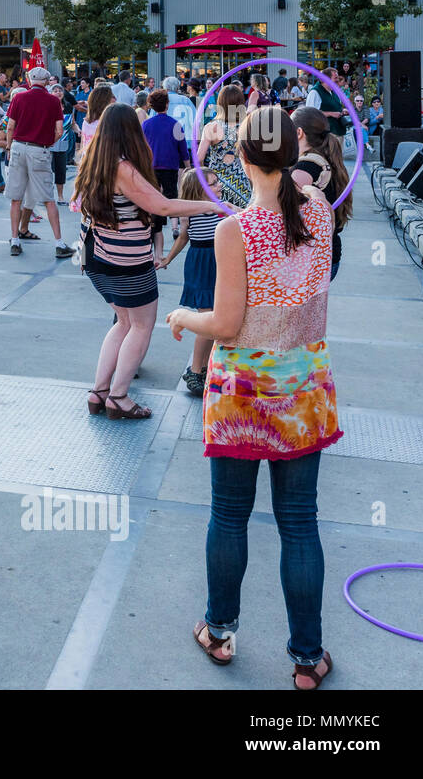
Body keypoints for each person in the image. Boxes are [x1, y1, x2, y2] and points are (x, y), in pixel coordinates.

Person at [164, 106, 339, 689]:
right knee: (299, 523)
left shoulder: (236, 229)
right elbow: (306, 189)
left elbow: (228, 321)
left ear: (239, 158)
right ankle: (308, 658)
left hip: (241, 392)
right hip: (302, 390)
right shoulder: (318, 212)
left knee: (229, 516)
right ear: (294, 154)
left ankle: (219, 631)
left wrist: (185, 316)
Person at [77, 104, 212, 418]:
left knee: (124, 322)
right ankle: (119, 397)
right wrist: (209, 206)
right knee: (140, 325)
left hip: (95, 257)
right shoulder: (122, 168)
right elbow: (162, 207)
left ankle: (99, 391)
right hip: (126, 261)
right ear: (129, 132)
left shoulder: (91, 159)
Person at [156, 169, 224, 394]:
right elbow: (184, 236)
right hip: (202, 263)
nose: (219, 186)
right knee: (207, 319)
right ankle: (195, 370)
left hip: (218, 261)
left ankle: (205, 368)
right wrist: (168, 258)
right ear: (200, 190)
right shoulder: (193, 212)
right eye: (213, 184)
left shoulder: (221, 208)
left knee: (215, 318)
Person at [6, 68, 73, 258]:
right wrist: (47, 142)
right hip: (39, 149)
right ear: (46, 82)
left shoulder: (19, 98)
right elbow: (59, 130)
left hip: (19, 147)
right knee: (48, 198)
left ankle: (15, 239)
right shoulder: (53, 101)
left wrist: (10, 148)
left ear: (29, 79)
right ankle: (59, 243)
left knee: (16, 197)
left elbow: (11, 126)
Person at [291, 106, 352, 281]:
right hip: (328, 254)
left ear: (299, 132)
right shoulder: (324, 159)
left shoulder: (305, 167)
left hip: (314, 259)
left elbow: (283, 210)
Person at [197, 85, 253, 208]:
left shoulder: (212, 127)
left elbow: (199, 158)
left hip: (216, 184)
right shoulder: (246, 126)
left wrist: (205, 179)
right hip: (241, 183)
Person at [141, 90, 191, 200]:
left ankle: (157, 216)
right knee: (171, 195)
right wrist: (188, 167)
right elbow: (183, 150)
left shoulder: (146, 124)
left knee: (154, 196)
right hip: (170, 165)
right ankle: (173, 217)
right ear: (167, 104)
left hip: (151, 165)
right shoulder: (175, 124)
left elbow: (141, 146)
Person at [305, 68, 346, 139]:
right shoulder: (315, 92)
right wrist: (331, 114)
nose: (337, 80)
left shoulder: (334, 91)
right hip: (325, 136)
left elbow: (334, 107)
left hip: (339, 132)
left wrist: (342, 111)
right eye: (335, 78)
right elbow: (310, 113)